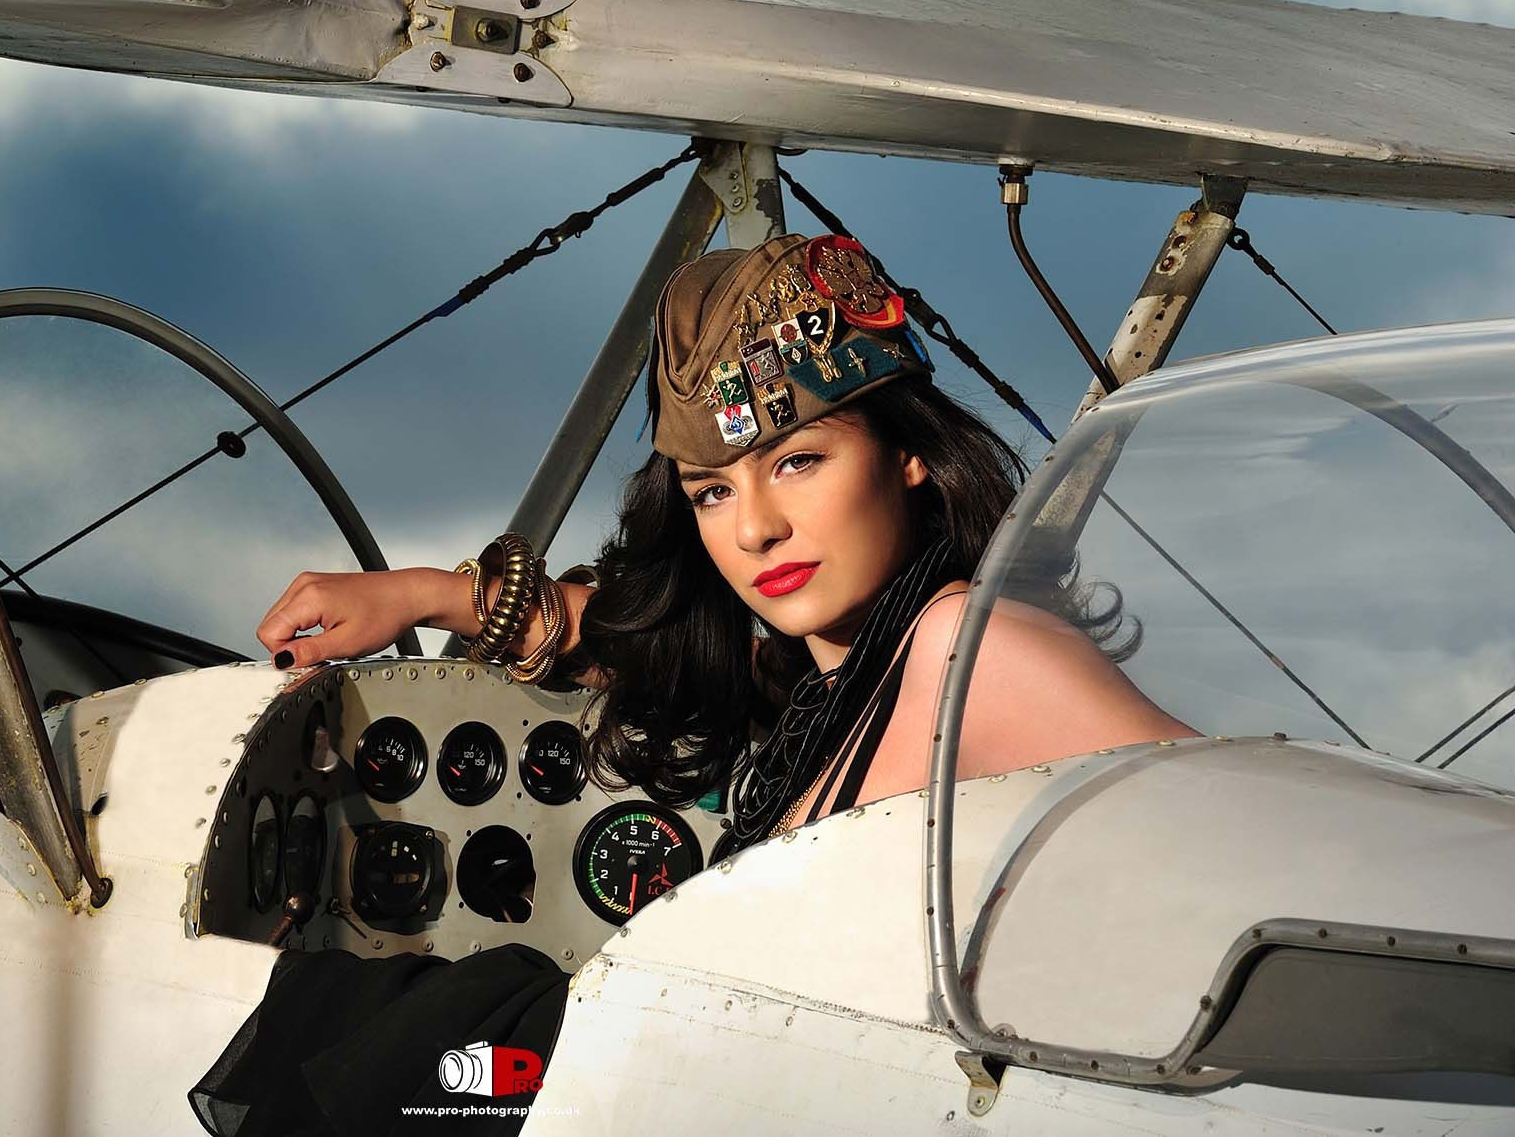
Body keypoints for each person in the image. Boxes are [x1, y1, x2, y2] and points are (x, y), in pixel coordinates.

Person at [192, 232, 1191, 1136]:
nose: (753, 529)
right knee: (401, 1045)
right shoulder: (825, 676)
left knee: (400, 1051)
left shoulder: (968, 647)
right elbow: (630, 635)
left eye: (797, 461)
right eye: (713, 490)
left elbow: (1220, 822)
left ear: (911, 456)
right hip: (718, 1086)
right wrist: (424, 595)